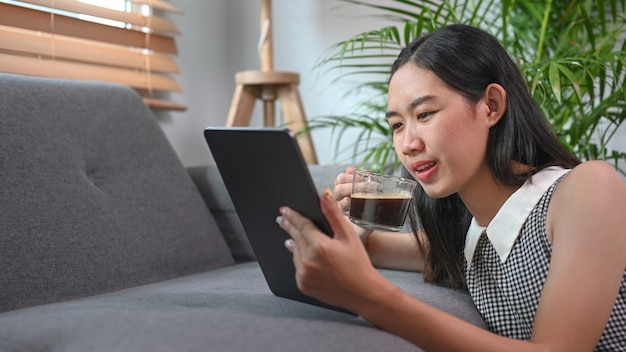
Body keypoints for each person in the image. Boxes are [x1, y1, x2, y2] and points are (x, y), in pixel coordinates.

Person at [275, 24, 626, 351]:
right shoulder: (467, 237)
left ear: (491, 106)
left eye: (424, 114)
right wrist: (352, 222)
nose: (407, 143)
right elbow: (365, 252)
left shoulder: (588, 190)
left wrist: (371, 298)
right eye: (397, 125)